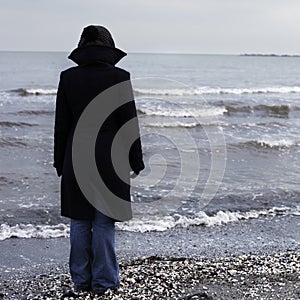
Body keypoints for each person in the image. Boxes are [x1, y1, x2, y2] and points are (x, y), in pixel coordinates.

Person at [53, 25, 144, 295]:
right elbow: (128, 124)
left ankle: (81, 281)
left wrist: (60, 161)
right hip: (109, 156)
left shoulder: (68, 78)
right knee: (104, 220)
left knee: (79, 220)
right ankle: (104, 283)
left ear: (81, 48)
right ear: (109, 48)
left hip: (75, 154)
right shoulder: (120, 77)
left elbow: (62, 125)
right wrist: (136, 161)